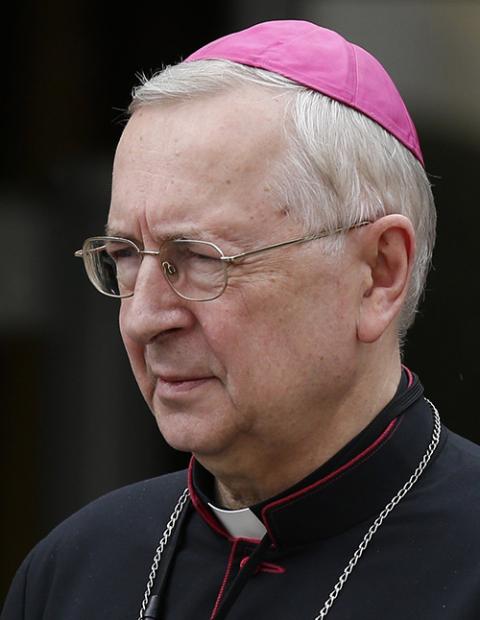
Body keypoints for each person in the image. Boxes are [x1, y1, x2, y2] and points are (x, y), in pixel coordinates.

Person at [2, 19, 480, 620]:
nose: (144, 319)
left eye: (199, 258)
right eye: (125, 256)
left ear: (378, 273)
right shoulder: (70, 572)